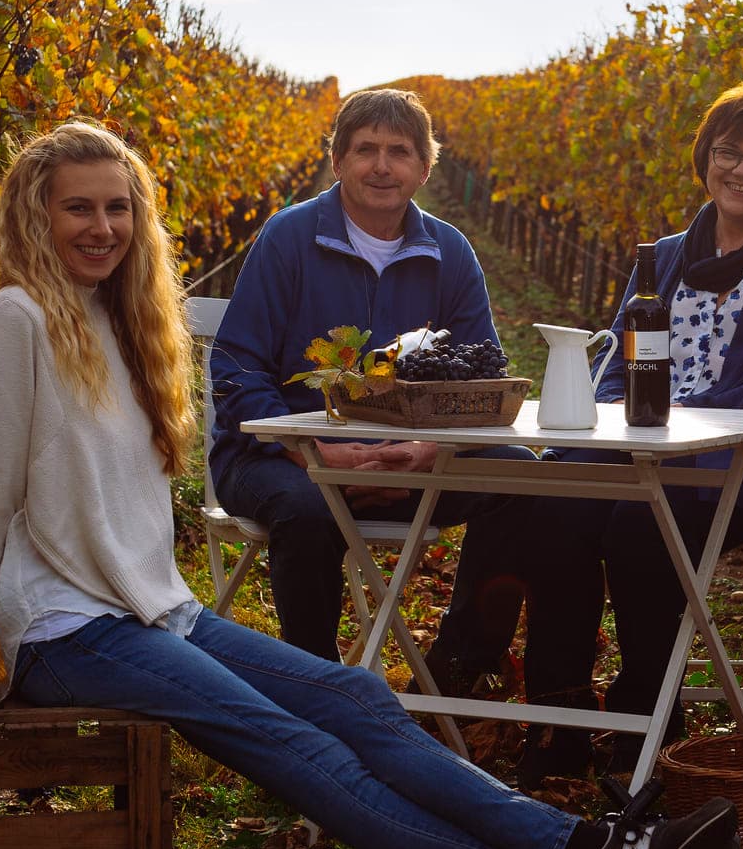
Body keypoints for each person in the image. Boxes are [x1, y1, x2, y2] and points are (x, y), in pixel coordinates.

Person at [0, 120, 740, 849]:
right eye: (77, 207)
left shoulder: (112, 317)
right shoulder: (16, 321)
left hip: (150, 611)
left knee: (358, 700)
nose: (102, 226)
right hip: (65, 630)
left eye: (117, 206)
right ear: (34, 216)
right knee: (304, 749)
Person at [441, 83, 743, 786]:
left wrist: (696, 417)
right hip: (647, 447)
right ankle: (559, 719)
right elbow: (618, 358)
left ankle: (646, 719)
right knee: (554, 505)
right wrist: (615, 418)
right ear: (705, 159)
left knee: (637, 524)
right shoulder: (670, 253)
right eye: (729, 152)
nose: (742, 170)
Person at [207, 88, 525, 663]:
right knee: (306, 510)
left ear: (425, 167)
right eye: (365, 149)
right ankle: (319, 681)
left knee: (525, 482)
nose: (382, 166)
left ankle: (460, 663)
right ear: (337, 160)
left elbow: (480, 382)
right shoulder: (289, 237)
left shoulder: (449, 252)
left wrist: (423, 452)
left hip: (414, 466)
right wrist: (314, 454)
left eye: (400, 151)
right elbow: (236, 366)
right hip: (279, 462)